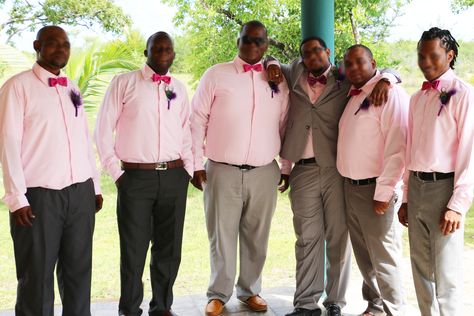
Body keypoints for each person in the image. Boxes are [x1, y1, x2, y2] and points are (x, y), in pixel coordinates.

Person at [266, 37, 399, 316]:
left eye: (317, 50)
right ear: (301, 59)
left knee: (338, 237)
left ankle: (335, 301)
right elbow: (270, 63)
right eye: (306, 53)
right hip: (302, 169)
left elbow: (379, 71)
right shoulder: (295, 72)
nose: (312, 56)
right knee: (306, 237)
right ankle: (305, 303)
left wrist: (388, 77)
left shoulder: (344, 76)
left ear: (328, 52)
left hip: (336, 171)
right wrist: (273, 62)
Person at [0, 25, 103, 316]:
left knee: (78, 274)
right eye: (53, 43)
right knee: (37, 278)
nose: (61, 49)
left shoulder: (72, 87)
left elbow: (83, 138)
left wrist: (94, 186)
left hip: (80, 193)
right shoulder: (16, 87)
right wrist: (16, 197)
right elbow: (7, 142)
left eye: (66, 44)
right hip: (39, 197)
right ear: (37, 45)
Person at [190, 20, 290, 316]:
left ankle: (250, 291)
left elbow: (285, 125)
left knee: (257, 236)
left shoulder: (278, 79)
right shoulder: (216, 75)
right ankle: (218, 293)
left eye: (260, 42)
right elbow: (197, 121)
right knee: (221, 235)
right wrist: (195, 163)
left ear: (266, 45)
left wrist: (285, 166)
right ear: (238, 41)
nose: (253, 45)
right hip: (222, 169)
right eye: (248, 39)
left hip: (264, 171)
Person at [95, 32, 192, 316]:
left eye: (168, 48)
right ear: (146, 51)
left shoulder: (179, 88)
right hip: (135, 179)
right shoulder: (124, 83)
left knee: (169, 248)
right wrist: (117, 174)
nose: (163, 52)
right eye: (157, 48)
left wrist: (186, 169)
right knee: (134, 249)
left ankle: (162, 306)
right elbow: (102, 131)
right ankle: (129, 308)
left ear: (174, 54)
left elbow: (186, 131)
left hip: (174, 177)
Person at [398, 27, 474, 316]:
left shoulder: (464, 95)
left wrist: (457, 205)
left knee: (446, 272)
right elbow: (410, 151)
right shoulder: (416, 99)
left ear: (450, 55)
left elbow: (470, 152)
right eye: (421, 55)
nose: (425, 61)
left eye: (433, 55)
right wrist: (405, 197)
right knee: (420, 268)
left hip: (445, 189)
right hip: (417, 187)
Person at [337, 44, 408, 316]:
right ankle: (376, 306)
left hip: (375, 190)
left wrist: (384, 191)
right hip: (351, 188)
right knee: (365, 256)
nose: (353, 68)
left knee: (384, 257)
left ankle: (395, 311)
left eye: (359, 62)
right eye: (348, 63)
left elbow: (397, 147)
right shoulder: (354, 94)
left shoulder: (389, 93)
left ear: (373, 62)